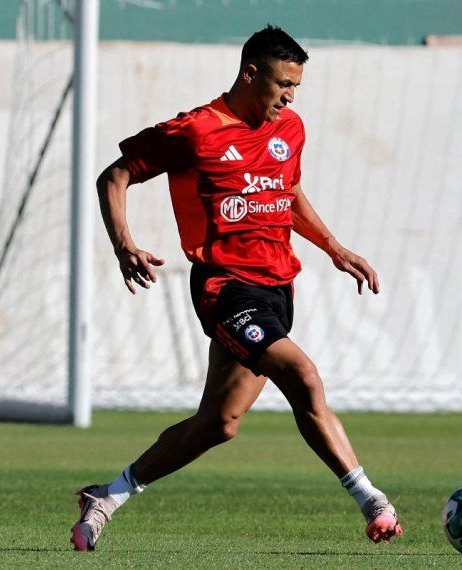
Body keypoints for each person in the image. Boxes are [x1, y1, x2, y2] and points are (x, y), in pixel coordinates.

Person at [70, 25, 403, 552]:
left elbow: (286, 192)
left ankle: (105, 498)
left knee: (218, 424)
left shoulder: (289, 128)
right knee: (304, 375)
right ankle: (372, 501)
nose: (289, 96)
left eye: (296, 86)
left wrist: (335, 249)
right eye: (283, 83)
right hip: (225, 289)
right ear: (251, 74)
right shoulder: (196, 131)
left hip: (277, 287)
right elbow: (113, 177)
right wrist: (123, 244)